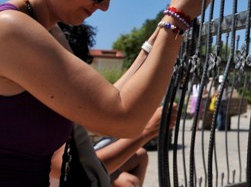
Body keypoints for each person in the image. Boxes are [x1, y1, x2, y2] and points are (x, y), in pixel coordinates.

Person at [0, 0, 209, 185]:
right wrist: (177, 19)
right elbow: (123, 119)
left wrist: (156, 37)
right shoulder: (11, 30)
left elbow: (105, 98)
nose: (104, 5)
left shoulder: (47, 31)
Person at [49, 23, 178, 186]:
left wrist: (149, 47)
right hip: (68, 176)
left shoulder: (57, 89)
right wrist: (147, 131)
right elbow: (68, 168)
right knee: (127, 182)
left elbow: (110, 96)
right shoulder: (42, 104)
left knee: (139, 156)